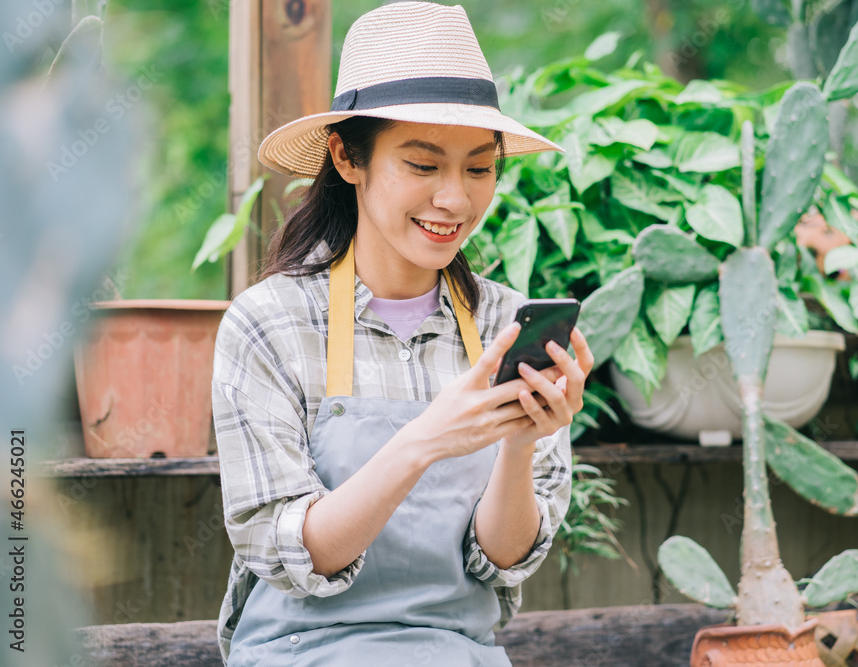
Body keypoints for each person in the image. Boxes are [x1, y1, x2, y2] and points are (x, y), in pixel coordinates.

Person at [211, 3, 594, 665]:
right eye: (423, 166)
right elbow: (289, 551)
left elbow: (504, 561)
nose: (455, 199)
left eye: (479, 169)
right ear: (347, 156)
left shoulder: (508, 327)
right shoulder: (268, 324)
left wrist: (521, 446)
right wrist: (423, 440)